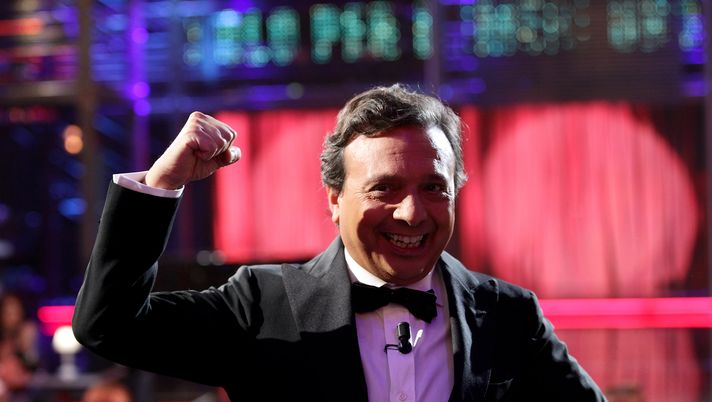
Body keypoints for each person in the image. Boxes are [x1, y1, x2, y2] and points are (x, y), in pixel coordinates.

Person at [72, 84, 606, 401]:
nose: (412, 212)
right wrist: (161, 185)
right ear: (334, 199)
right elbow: (108, 326)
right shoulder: (263, 304)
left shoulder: (509, 315)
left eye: (433, 188)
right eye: (384, 188)